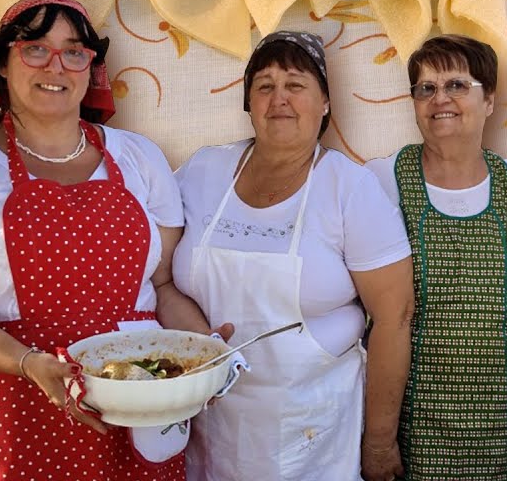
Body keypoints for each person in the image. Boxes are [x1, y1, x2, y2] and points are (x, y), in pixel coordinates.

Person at [0, 0, 220, 480]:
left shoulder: (140, 159)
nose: (56, 65)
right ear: (2, 64)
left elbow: (163, 286)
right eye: (35, 48)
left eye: (74, 52)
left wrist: (206, 351)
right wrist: (28, 363)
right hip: (4, 409)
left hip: (133, 407)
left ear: (91, 69)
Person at [172, 30, 415, 481]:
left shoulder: (349, 188)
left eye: (296, 84)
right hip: (210, 421)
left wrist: (380, 443)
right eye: (264, 85)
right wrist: (200, 341)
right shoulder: (202, 171)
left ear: (325, 103)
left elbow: (394, 317)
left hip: (312, 432)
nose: (278, 98)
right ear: (249, 103)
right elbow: (160, 278)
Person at [366, 35, 507, 480]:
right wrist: (379, 439)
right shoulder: (381, 181)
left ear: (489, 100)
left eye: (456, 85)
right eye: (426, 88)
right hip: (417, 417)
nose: (439, 99)